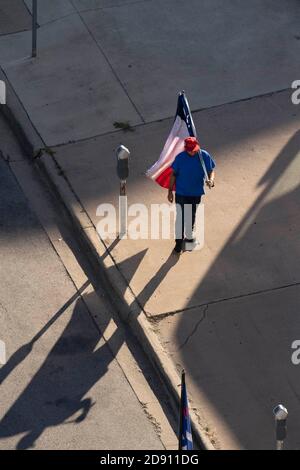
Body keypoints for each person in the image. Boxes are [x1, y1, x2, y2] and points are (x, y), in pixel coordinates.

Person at [168, 137, 216, 253]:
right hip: (181, 193)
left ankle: (189, 238)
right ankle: (178, 243)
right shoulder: (180, 158)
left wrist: (211, 180)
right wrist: (170, 191)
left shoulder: (203, 155)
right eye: (189, 150)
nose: (192, 152)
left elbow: (211, 170)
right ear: (185, 149)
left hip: (195, 193)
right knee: (181, 217)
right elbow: (173, 175)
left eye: (194, 149)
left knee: (191, 215)